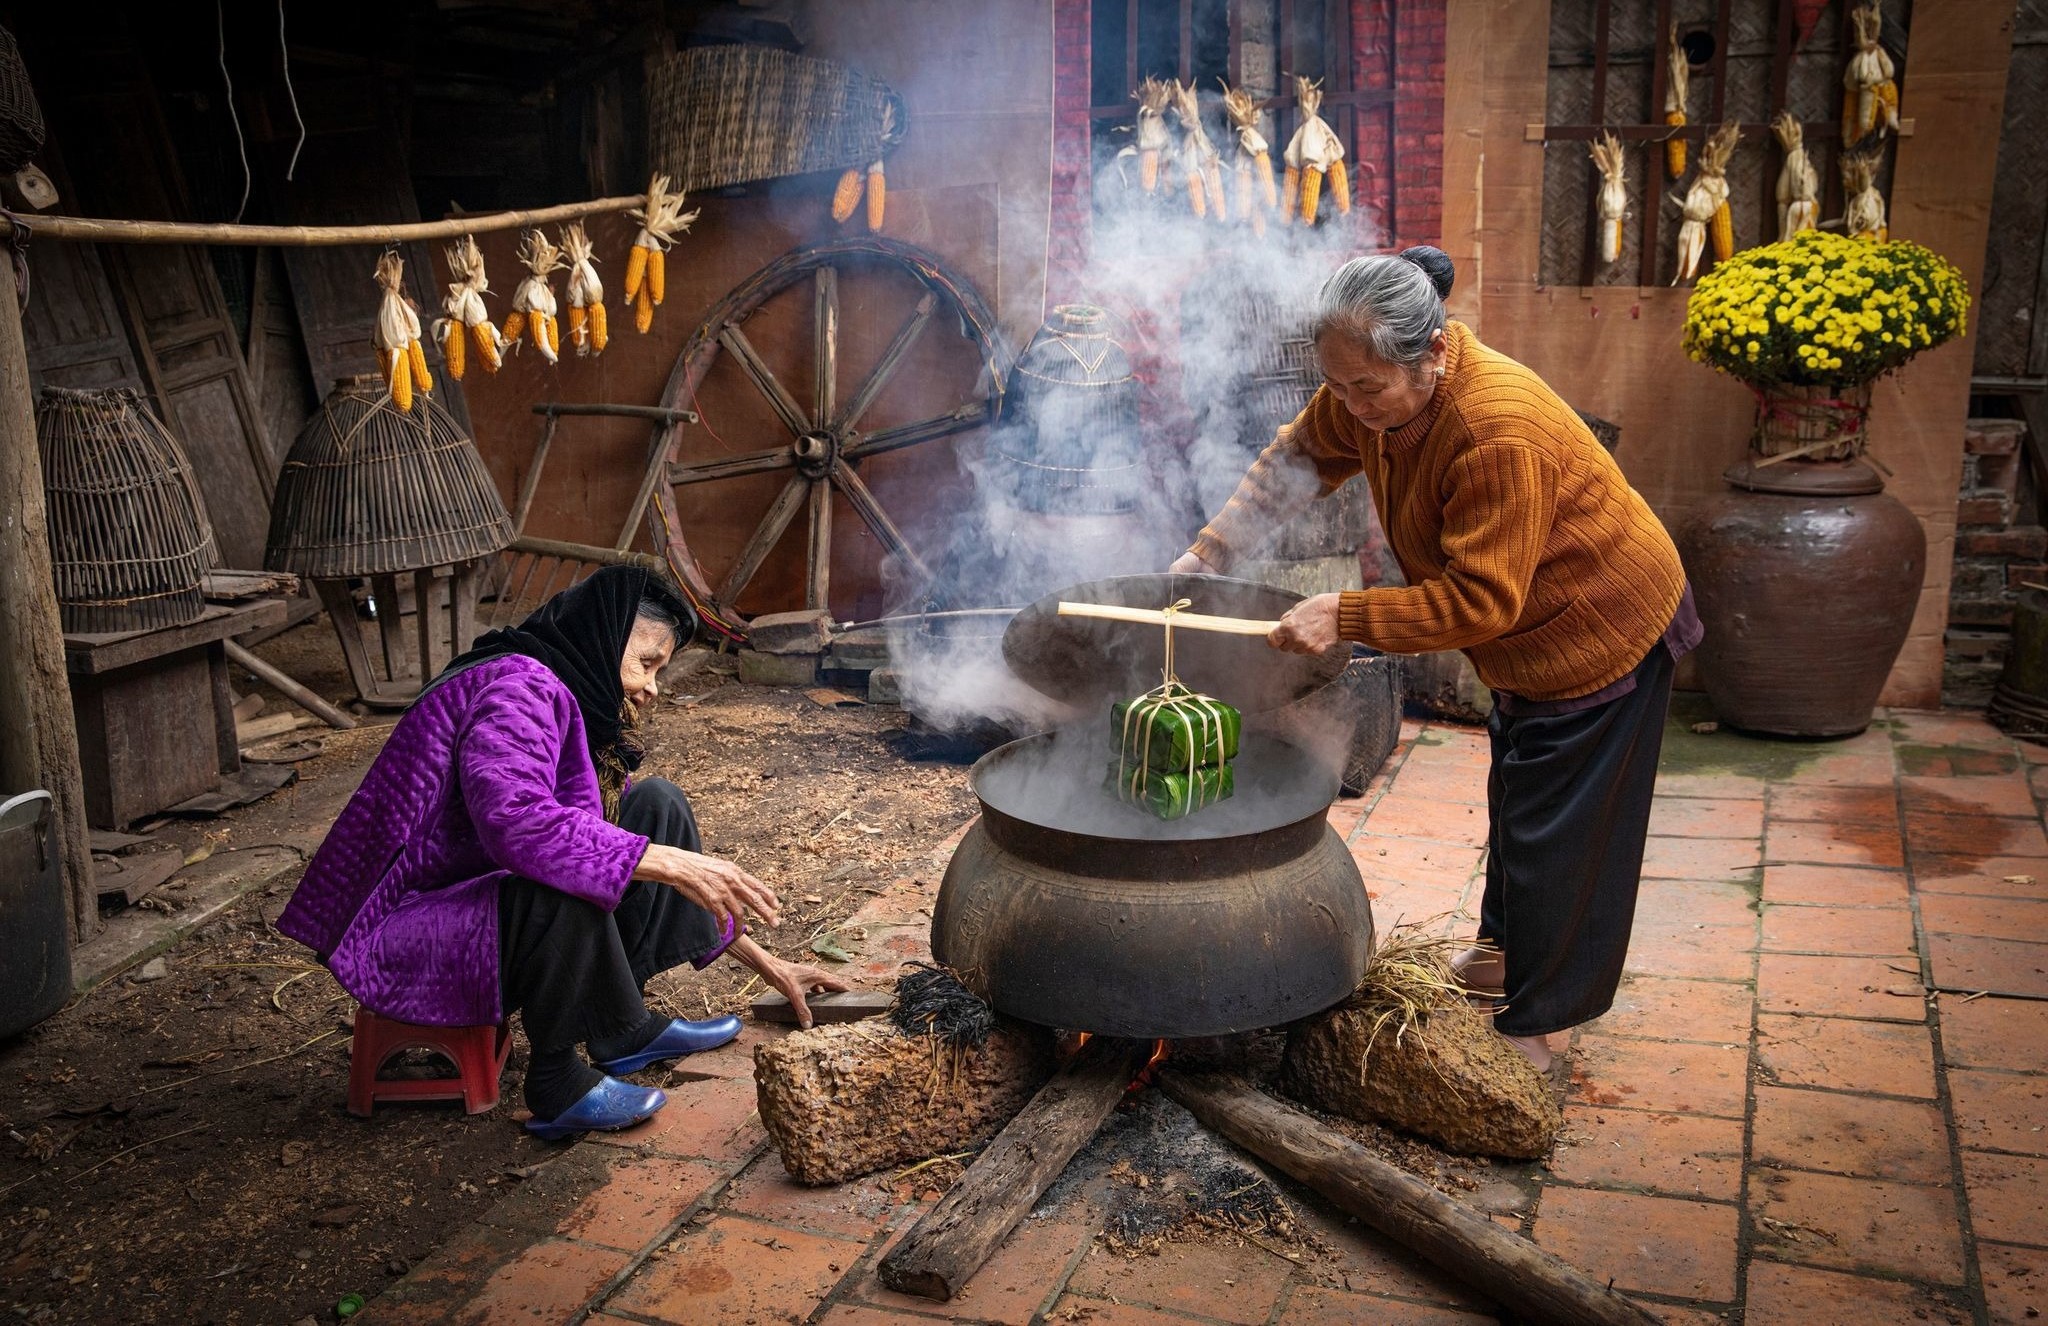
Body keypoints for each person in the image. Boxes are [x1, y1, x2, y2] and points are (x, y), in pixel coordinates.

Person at [1171, 246, 1699, 1070]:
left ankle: (1542, 1023)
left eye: (1366, 390)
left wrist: (1344, 615)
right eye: (1336, 386)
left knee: (1566, 829)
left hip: (1599, 624)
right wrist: (1209, 555)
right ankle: (1504, 950)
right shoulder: (1366, 387)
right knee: (1520, 793)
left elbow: (1483, 601)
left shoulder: (1496, 430)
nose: (1349, 407)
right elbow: (1296, 461)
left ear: (1436, 351)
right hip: (1525, 645)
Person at [277, 566, 847, 1138]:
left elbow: (604, 833)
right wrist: (670, 862)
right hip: (407, 925)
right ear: (603, 636)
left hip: (467, 893)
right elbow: (517, 823)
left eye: (660, 672)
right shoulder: (519, 688)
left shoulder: (555, 687)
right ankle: (554, 1081)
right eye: (646, 664)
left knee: (653, 807)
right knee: (566, 870)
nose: (652, 688)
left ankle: (621, 1030)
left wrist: (770, 968)